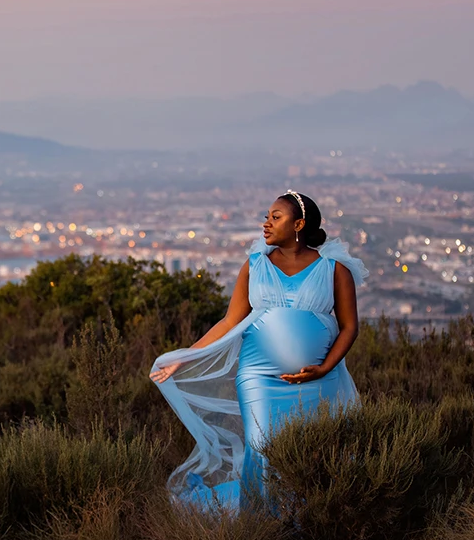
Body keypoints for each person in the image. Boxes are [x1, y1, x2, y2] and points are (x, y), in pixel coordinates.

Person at [149, 190, 369, 513]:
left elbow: (350, 327)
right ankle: (258, 524)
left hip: (319, 381)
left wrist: (324, 368)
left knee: (311, 452)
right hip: (259, 378)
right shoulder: (254, 266)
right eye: (266, 216)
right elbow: (228, 322)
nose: (265, 223)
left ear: (299, 224)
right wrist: (184, 357)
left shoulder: (335, 270)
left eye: (275, 217)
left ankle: (305, 522)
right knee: (262, 448)